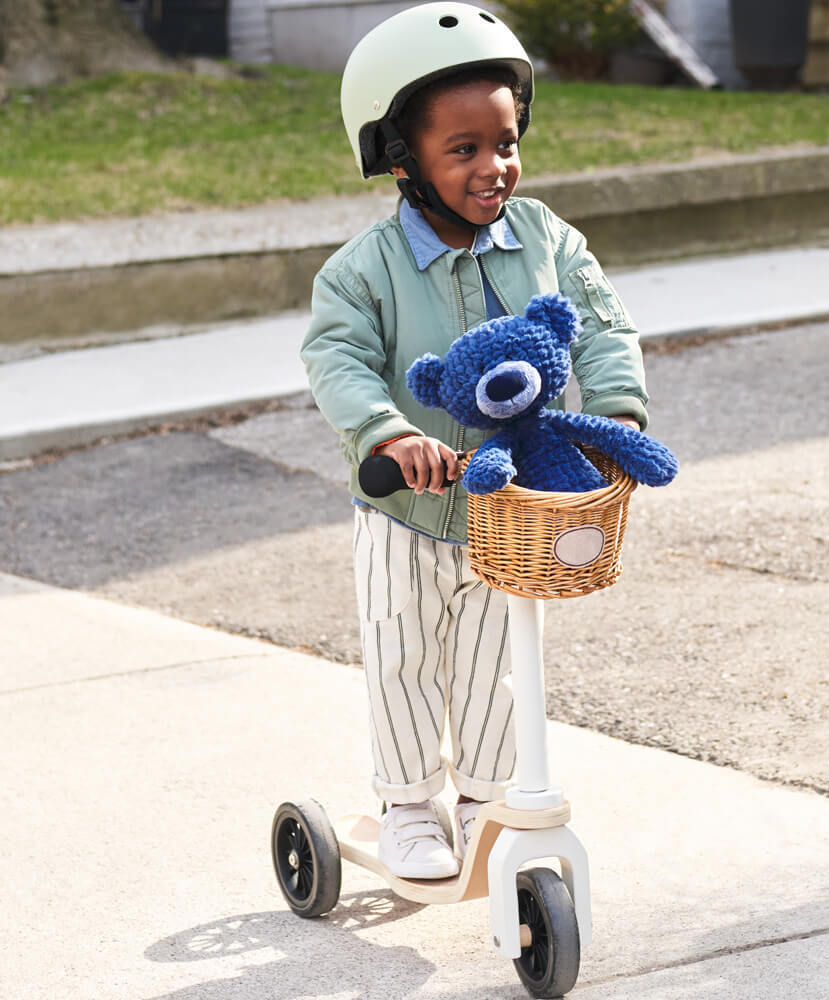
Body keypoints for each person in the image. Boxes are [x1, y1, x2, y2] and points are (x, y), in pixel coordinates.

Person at [302, 2, 650, 879]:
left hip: (512, 508)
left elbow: (604, 326)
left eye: (505, 142)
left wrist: (617, 413)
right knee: (405, 656)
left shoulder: (546, 238)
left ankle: (484, 800)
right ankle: (410, 807)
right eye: (463, 149)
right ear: (399, 157)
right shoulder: (362, 271)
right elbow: (337, 358)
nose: (494, 167)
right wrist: (386, 431)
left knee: (499, 663)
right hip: (408, 514)